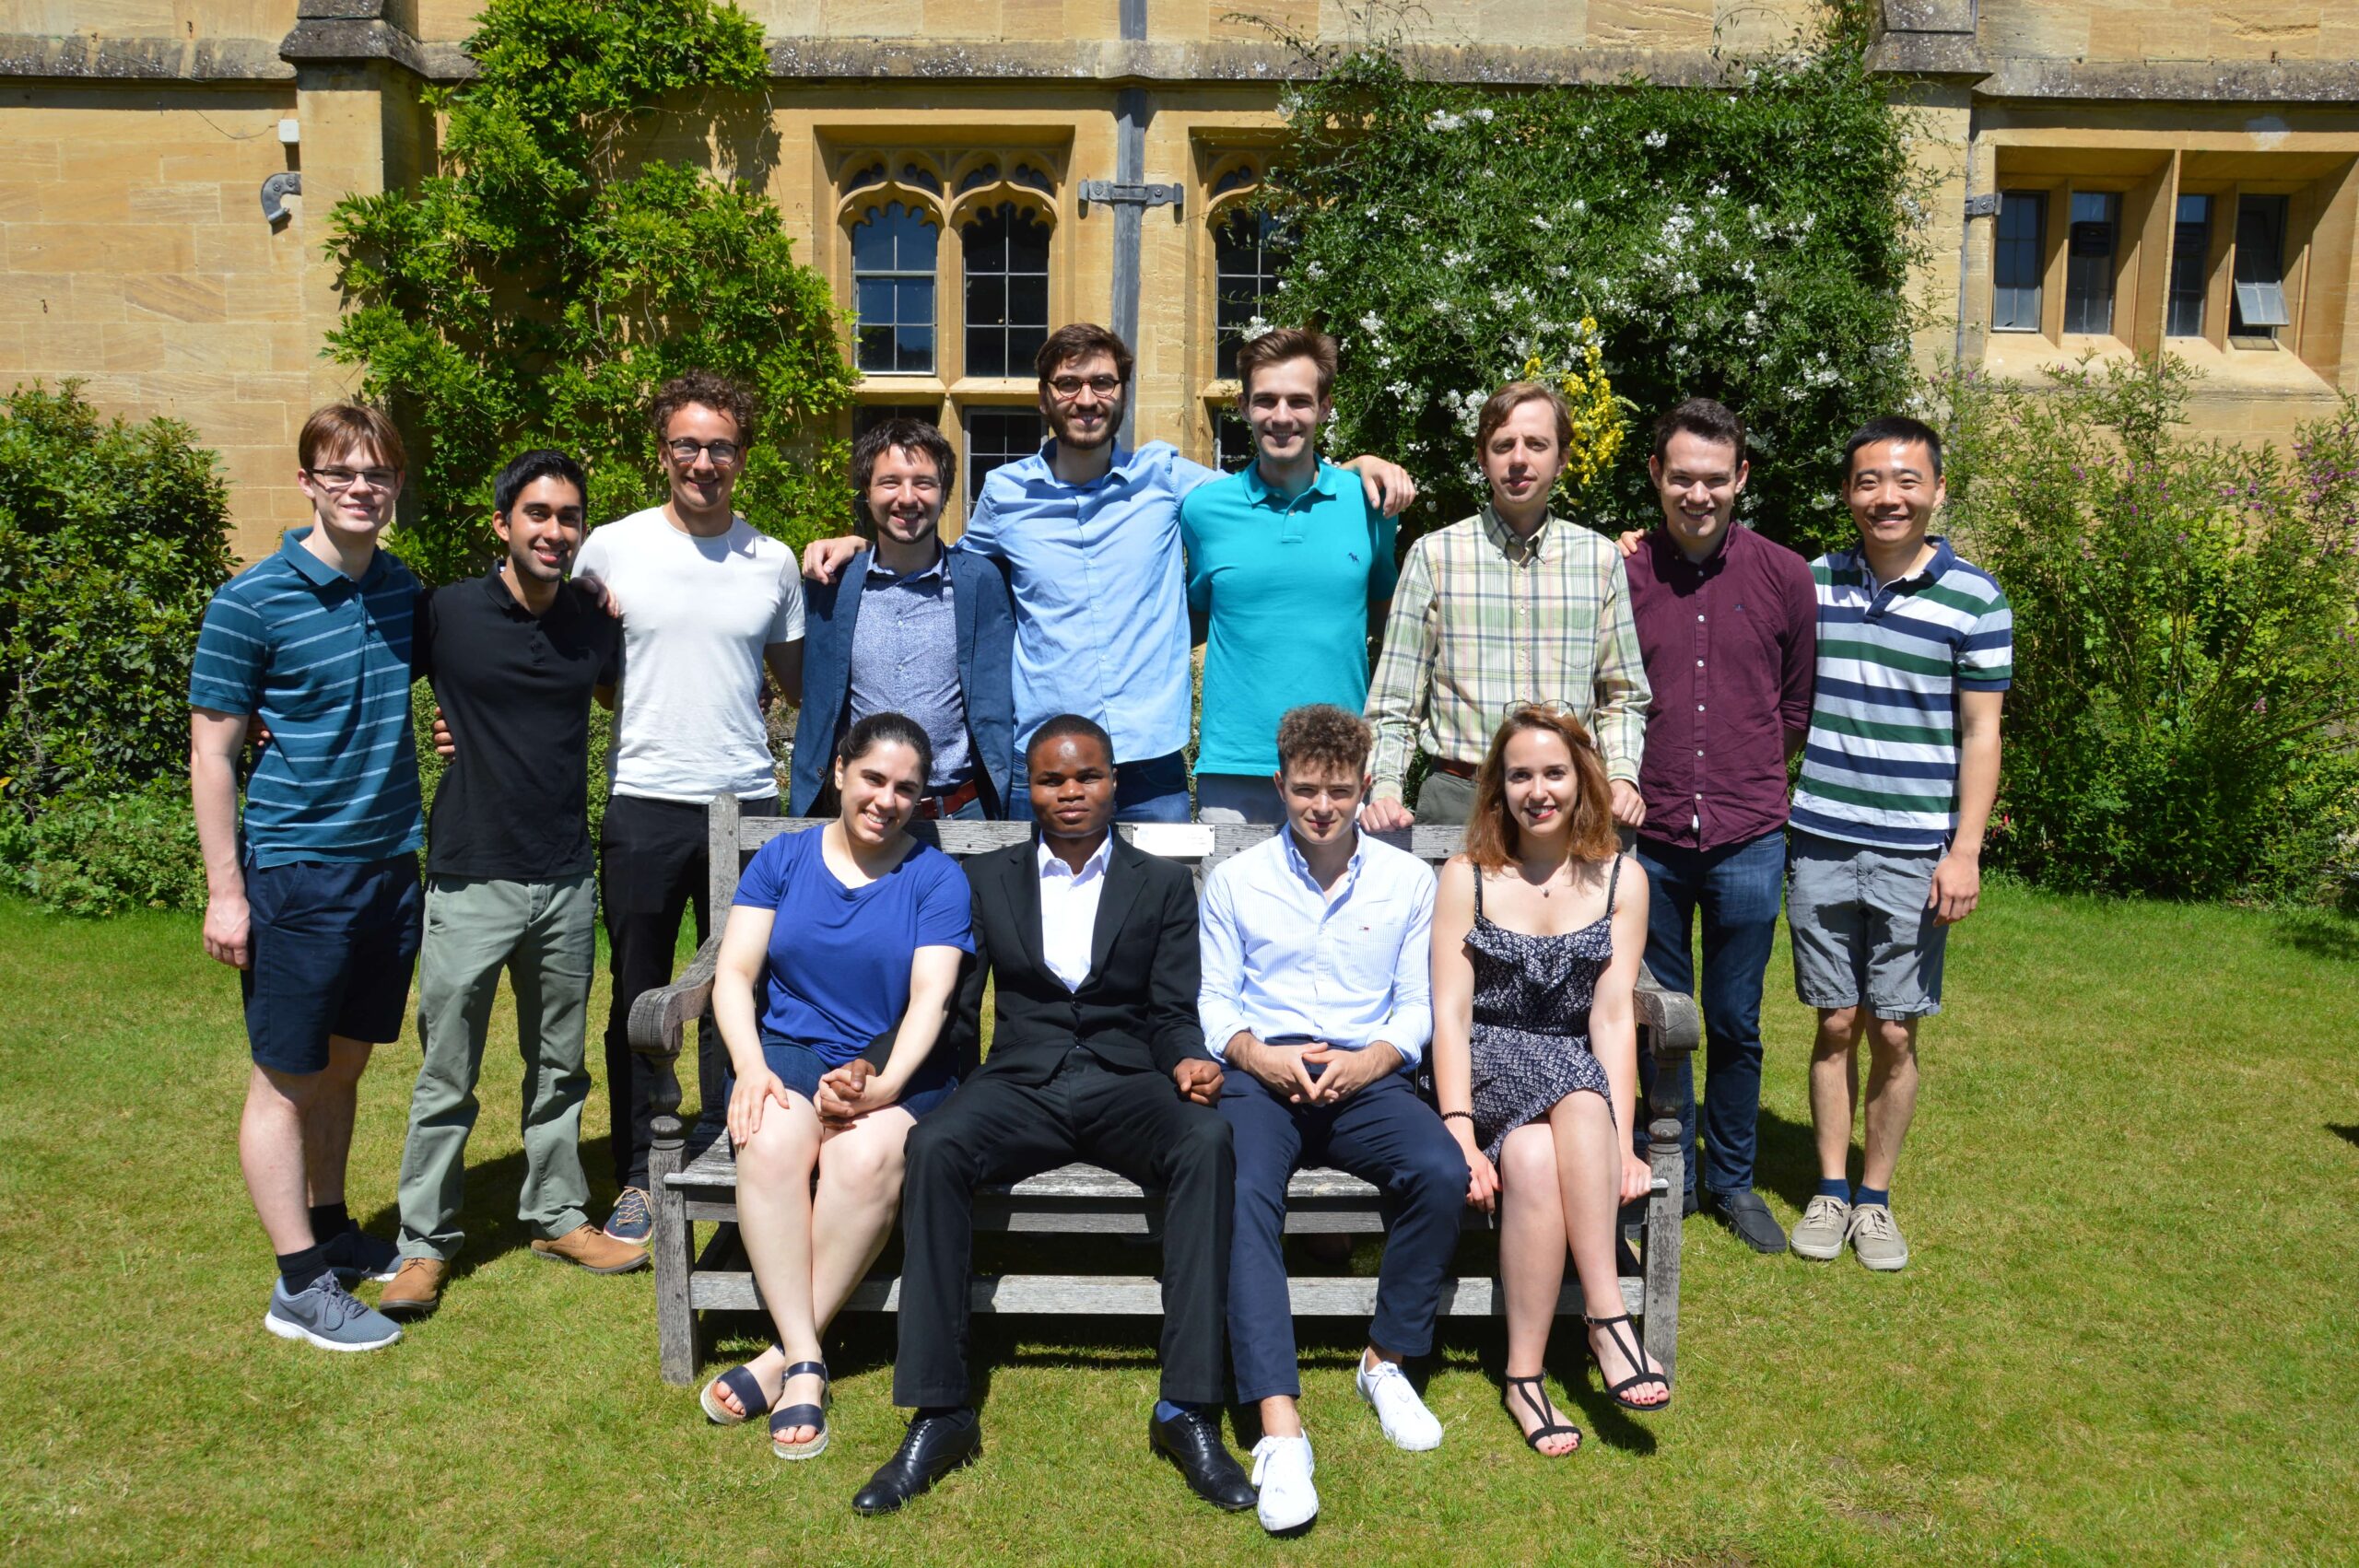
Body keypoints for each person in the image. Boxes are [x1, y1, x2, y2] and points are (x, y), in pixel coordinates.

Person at [851, 717, 1250, 1516]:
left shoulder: (1162, 884)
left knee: (1207, 1140)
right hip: (1023, 1082)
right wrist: (880, 1058)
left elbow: (1173, 1010)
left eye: (1088, 777)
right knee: (934, 1148)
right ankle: (940, 1409)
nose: (1070, 794)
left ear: (1113, 782)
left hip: (1125, 1080)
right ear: (1028, 788)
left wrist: (1188, 1058)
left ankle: (1189, 1408)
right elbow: (954, 1007)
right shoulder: (989, 877)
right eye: (1051, 781)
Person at [803, 323, 1415, 822]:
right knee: (1035, 934)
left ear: (1123, 392)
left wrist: (1355, 466)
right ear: (1044, 396)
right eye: (1068, 383)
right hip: (1041, 755)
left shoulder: (1171, 481)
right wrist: (863, 542)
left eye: (1102, 382)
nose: (1087, 398)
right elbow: (948, 569)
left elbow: (1272, 480)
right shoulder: (1005, 493)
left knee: (1164, 934)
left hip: (1150, 760)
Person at [379, 451, 643, 1320]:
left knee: (559, 1067)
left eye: (569, 517)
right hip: (470, 875)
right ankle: (423, 1246)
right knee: (446, 1071)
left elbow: (610, 698)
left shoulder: (592, 620)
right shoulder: (447, 611)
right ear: (503, 524)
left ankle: (557, 1212)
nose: (554, 531)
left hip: (566, 877)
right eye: (537, 514)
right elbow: (371, 676)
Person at [188, 404, 423, 1352]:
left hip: (387, 866)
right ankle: (297, 1288)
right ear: (307, 484)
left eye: (376, 474)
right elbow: (212, 752)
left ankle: (328, 1231)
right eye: (341, 473)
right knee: (285, 1078)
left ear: (395, 487)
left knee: (347, 1059)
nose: (360, 489)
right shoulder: (251, 600)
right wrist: (226, 886)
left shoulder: (401, 588)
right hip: (294, 868)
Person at [1197, 704, 1465, 1533]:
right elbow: (1215, 1001)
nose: (1322, 807)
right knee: (1241, 1191)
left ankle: (1386, 1362)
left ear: (1364, 790)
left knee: (1440, 1170)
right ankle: (1280, 1428)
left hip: (1365, 1072)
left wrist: (1372, 1060)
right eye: (1306, 790)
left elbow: (1418, 1006)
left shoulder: (1407, 881)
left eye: (1339, 792)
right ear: (1278, 786)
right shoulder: (1236, 880)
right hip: (1265, 1075)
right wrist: (1256, 1055)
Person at [697, 712, 974, 1459]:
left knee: (864, 1158)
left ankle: (781, 1359)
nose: (886, 799)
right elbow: (735, 974)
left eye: (906, 789)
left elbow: (931, 1002)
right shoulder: (783, 860)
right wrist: (751, 1067)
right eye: (874, 779)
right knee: (769, 1139)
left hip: (896, 1068)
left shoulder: (937, 879)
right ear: (840, 772)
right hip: (786, 1050)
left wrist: (882, 1089)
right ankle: (809, 1362)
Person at [569, 371, 805, 1246]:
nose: (704, 462)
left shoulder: (772, 560)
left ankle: (726, 1151)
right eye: (687, 446)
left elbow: (799, 686)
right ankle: (641, 1173)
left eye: (721, 447)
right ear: (662, 451)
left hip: (746, 805)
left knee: (738, 992)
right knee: (640, 992)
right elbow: (582, 680)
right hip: (644, 801)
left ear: (742, 456)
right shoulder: (609, 548)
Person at [1785, 416, 2009, 1272]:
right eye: (1871, 481)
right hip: (1822, 837)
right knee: (1835, 1020)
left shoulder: (1976, 599)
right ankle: (1830, 1189)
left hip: (1918, 850)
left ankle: (1875, 1200)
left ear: (1937, 490)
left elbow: (1982, 734)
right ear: (1849, 494)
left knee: (1896, 1032)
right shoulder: (1811, 584)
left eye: (1907, 481)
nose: (1889, 497)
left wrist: (1967, 849)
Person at [1429, 704, 1671, 1457]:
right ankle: (1608, 1317)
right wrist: (1460, 1132)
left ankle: (1524, 1378)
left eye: (1555, 773)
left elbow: (1609, 1019)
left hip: (1573, 1088)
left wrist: (1625, 1143)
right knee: (1569, 1081)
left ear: (1582, 780)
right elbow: (1450, 1015)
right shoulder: (1466, 877)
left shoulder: (1621, 880)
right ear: (1498, 789)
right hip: (1487, 1067)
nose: (1540, 790)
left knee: (1536, 1158)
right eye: (1521, 775)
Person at [1613, 399, 1817, 1253]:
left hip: (1746, 834)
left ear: (1741, 478)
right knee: (1658, 1019)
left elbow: (1796, 703)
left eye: (1714, 479)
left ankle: (1731, 1181)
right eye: (1681, 478)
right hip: (1648, 840)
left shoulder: (1784, 575)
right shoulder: (1620, 572)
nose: (1698, 495)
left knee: (1735, 1020)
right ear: (1657, 477)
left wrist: (1743, 773)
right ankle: (1671, 1179)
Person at [1364, 381, 1649, 831]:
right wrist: (1384, 788)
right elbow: (1395, 699)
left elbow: (1622, 695)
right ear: (1483, 457)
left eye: (1537, 444)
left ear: (1563, 459)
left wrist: (1621, 776)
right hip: (1462, 798)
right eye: (1503, 445)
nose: (1519, 458)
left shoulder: (1598, 560)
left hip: (1571, 799)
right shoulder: (1435, 557)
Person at [1182, 331, 1398, 825]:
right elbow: (1193, 621)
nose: (1282, 417)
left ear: (1325, 407)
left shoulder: (1370, 504)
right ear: (1242, 406)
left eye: (1299, 401)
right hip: (1236, 770)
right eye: (1266, 401)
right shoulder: (1203, 511)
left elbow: (1391, 626)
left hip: (1341, 770)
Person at [791, 418, 1015, 820]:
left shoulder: (982, 583)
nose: (907, 498)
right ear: (867, 490)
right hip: (861, 815)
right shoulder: (830, 584)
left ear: (945, 491)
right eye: (890, 482)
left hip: (961, 814)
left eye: (924, 483)